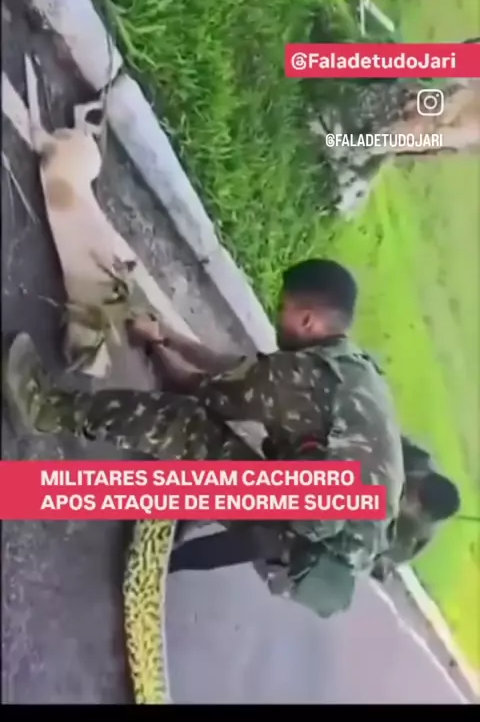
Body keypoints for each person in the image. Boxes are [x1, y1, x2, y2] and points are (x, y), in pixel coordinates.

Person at [3, 258, 405, 618]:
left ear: (308, 321)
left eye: (284, 308)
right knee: (229, 447)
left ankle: (43, 410)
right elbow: (240, 370)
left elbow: (196, 387)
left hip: (305, 547)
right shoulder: (348, 370)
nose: (277, 315)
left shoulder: (305, 378)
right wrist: (167, 336)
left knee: (186, 425)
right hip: (328, 531)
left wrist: (154, 346)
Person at [371, 436, 461, 582]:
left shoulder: (408, 540)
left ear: (420, 515)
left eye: (409, 492)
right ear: (425, 474)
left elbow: (381, 561)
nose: (408, 483)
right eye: (414, 480)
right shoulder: (415, 456)